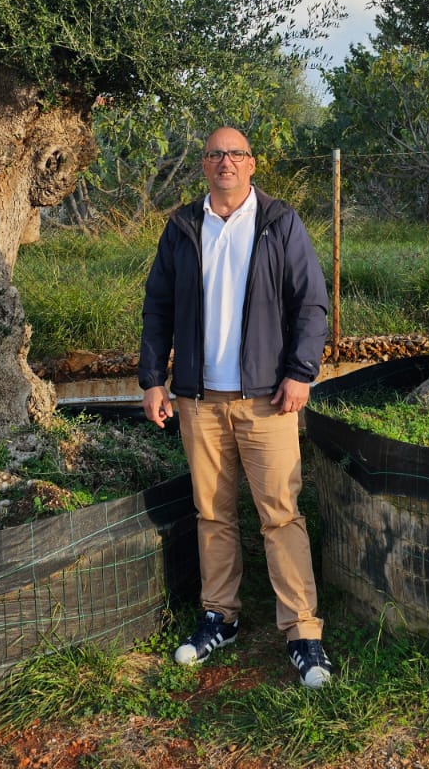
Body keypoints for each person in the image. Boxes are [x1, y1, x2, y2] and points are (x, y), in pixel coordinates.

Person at [139, 126, 334, 688]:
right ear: (204, 165)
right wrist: (153, 380)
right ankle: (219, 617)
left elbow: (311, 304)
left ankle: (302, 633)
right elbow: (157, 307)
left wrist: (301, 372)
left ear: (251, 165)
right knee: (212, 514)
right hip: (198, 399)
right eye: (216, 154)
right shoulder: (182, 226)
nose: (226, 162)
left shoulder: (279, 222)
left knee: (281, 515)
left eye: (236, 154)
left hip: (267, 399)